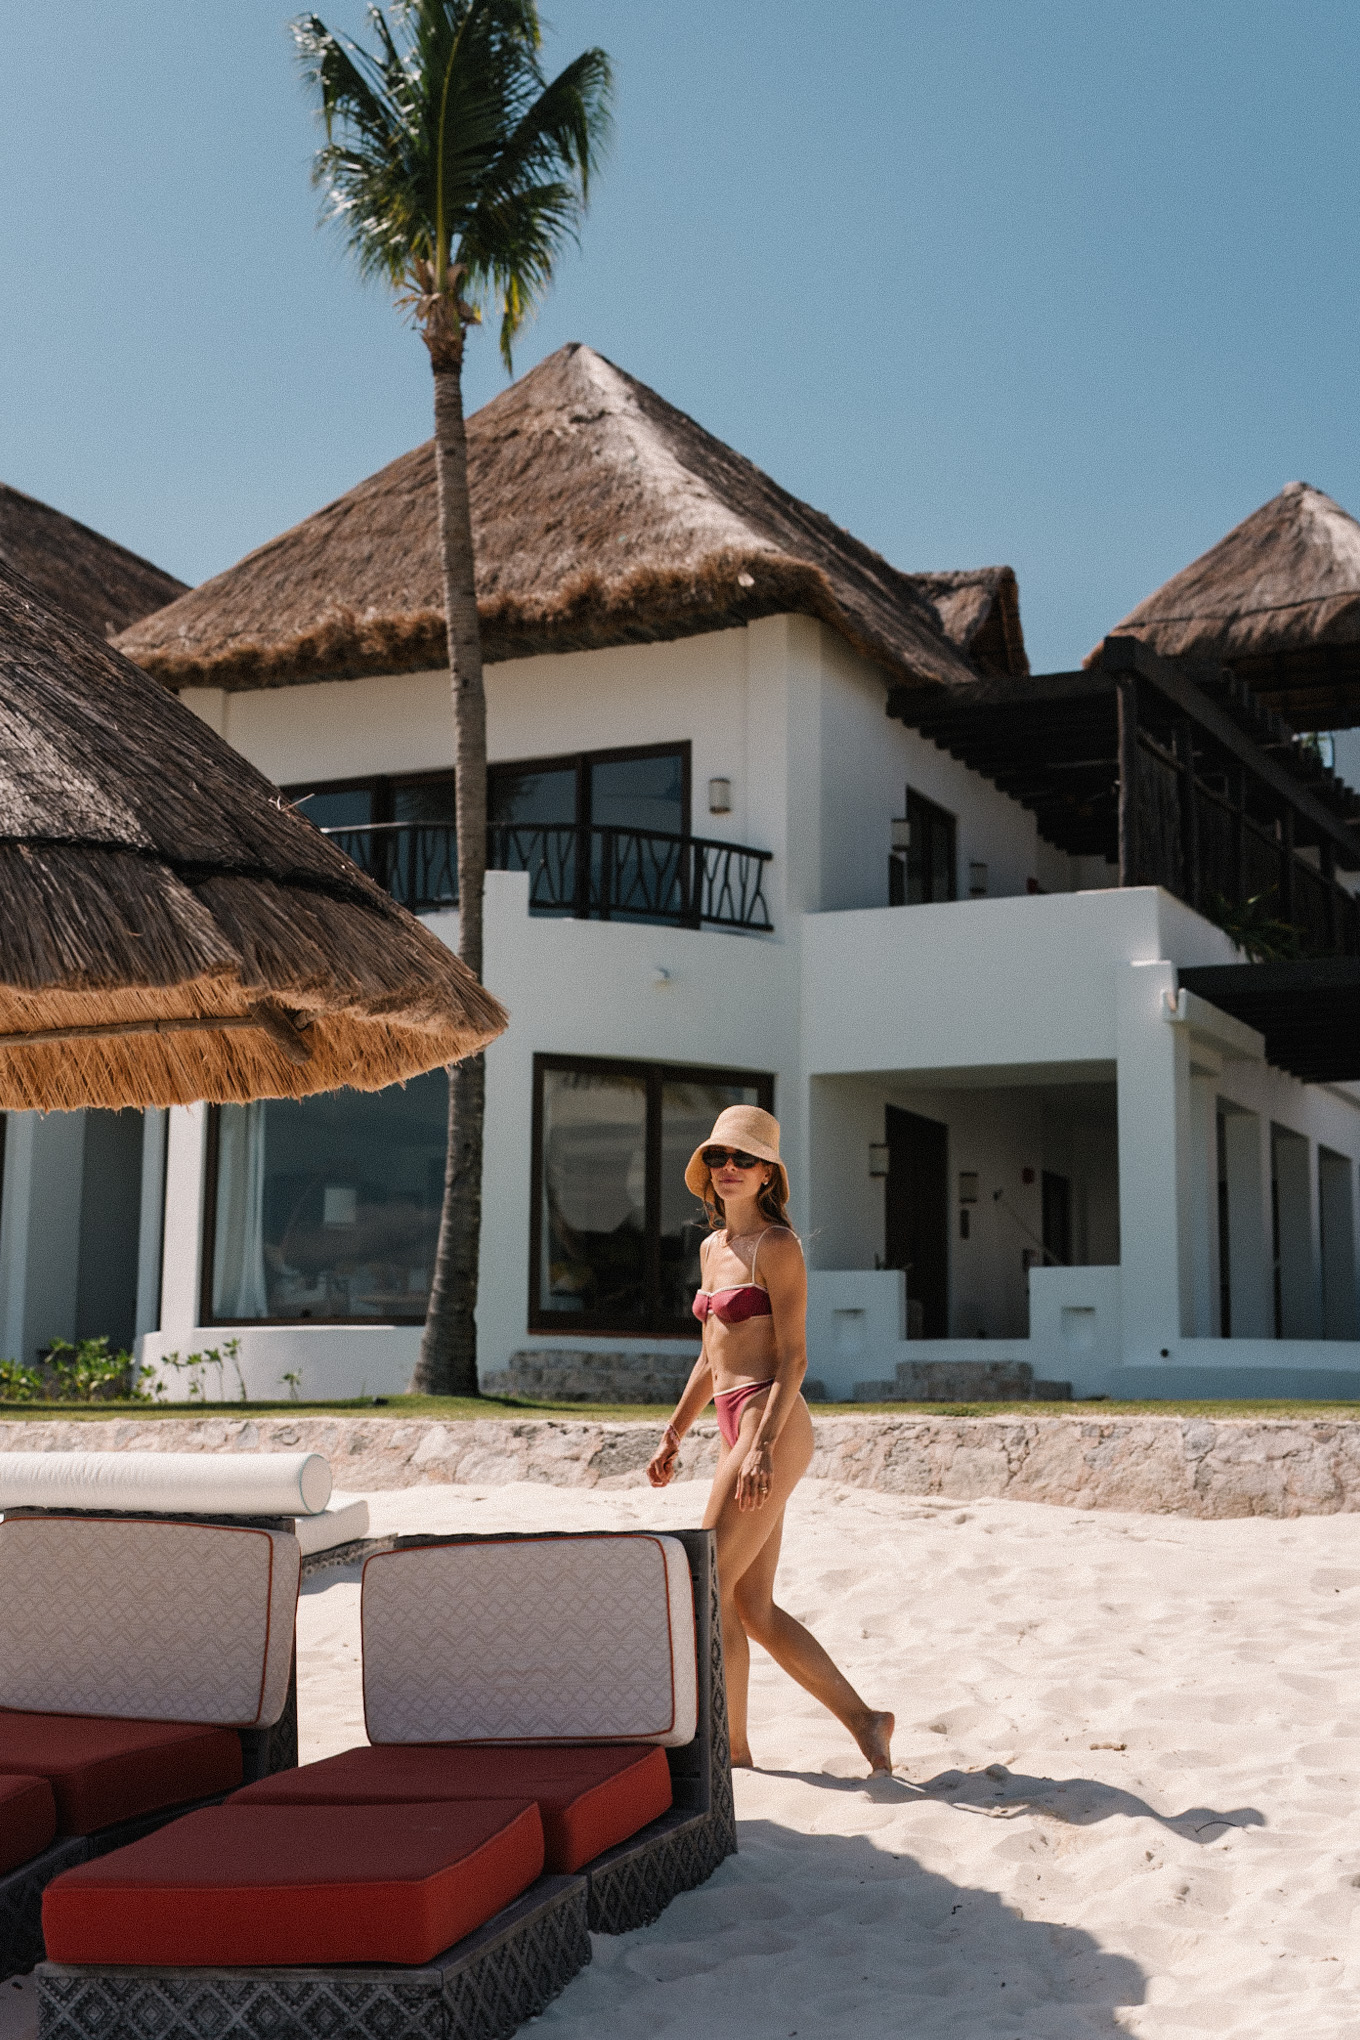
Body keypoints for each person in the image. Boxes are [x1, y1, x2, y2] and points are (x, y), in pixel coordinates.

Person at [647, 1106, 894, 1775]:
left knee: (707, 1585)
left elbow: (794, 1360)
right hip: (733, 1420)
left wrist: (759, 1446)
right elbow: (709, 1358)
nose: (730, 1169)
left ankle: (730, 1751)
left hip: (769, 1423)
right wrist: (673, 1435)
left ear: (767, 1175)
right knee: (750, 1605)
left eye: (745, 1160)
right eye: (720, 1158)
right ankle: (866, 1722)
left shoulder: (777, 1248)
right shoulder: (710, 1249)